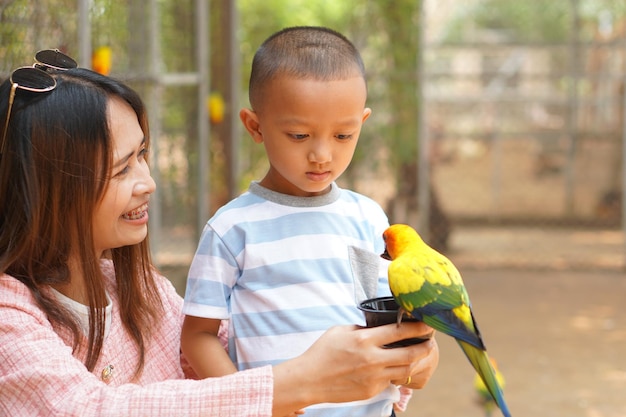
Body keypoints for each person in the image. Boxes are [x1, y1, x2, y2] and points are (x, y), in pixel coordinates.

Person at [0, 49, 439, 417]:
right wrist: (298, 383)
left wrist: (397, 359)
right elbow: (90, 408)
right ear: (50, 189)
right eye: (121, 169)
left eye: (143, 155)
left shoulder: (140, 289)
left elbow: (238, 349)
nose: (148, 182)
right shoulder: (9, 319)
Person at [181, 26, 437, 417]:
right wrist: (249, 405)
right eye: (299, 135)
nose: (322, 154)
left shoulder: (369, 219)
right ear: (255, 126)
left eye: (343, 135)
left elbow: (386, 317)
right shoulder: (231, 229)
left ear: (362, 124)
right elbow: (198, 336)